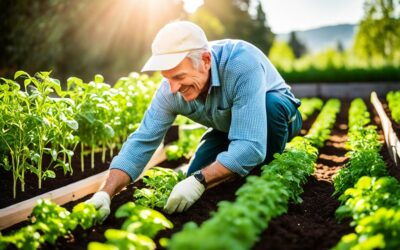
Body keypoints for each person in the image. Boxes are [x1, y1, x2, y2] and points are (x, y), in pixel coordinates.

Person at [86, 21, 302, 221]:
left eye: (179, 77)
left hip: (276, 115)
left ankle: (262, 176)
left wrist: (200, 181)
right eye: (166, 78)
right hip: (226, 126)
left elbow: (251, 146)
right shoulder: (169, 91)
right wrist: (105, 192)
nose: (173, 88)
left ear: (206, 61)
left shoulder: (241, 64)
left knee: (268, 112)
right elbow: (141, 141)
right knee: (195, 173)